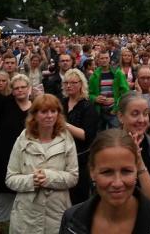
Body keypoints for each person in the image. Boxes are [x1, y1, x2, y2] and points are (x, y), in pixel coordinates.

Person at [59, 129, 150, 234]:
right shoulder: (72, 219)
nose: (117, 183)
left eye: (126, 171)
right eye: (107, 172)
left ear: (137, 170)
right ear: (92, 172)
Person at [6, 94, 78, 234]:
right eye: (44, 112)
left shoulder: (66, 139)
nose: (49, 116)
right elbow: (10, 178)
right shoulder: (23, 139)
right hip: (27, 213)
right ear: (34, 115)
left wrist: (48, 177)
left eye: (53, 111)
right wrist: (32, 180)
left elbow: (73, 177)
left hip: (56, 211)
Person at [0, 74, 32, 233]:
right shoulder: (5, 103)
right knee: (1, 197)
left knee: (26, 195)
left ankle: (23, 228)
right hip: (4, 157)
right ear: (13, 90)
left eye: (23, 87)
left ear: (29, 88)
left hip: (29, 158)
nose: (20, 90)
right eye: (16, 88)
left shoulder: (37, 106)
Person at [62, 68, 98, 204]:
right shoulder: (61, 103)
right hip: (61, 154)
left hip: (79, 158)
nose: (69, 86)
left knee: (78, 197)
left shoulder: (88, 107)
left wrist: (64, 125)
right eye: (66, 83)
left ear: (81, 84)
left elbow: (87, 136)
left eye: (73, 83)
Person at [89, 50, 129, 130]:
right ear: (98, 60)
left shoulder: (118, 73)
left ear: (109, 59)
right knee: (100, 136)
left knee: (115, 135)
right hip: (99, 111)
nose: (104, 60)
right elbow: (88, 94)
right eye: (102, 58)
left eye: (106, 58)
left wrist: (115, 100)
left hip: (114, 111)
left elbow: (126, 92)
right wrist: (95, 98)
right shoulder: (94, 76)